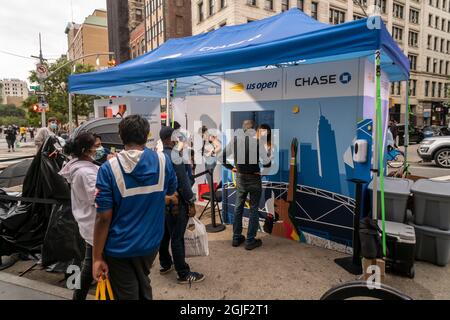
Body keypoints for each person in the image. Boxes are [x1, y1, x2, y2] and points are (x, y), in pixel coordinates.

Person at [93, 115, 177, 300]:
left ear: (120, 136)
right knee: (142, 280)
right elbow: (170, 190)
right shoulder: (163, 161)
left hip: (119, 247)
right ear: (147, 135)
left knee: (127, 291)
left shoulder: (108, 169)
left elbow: (103, 217)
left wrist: (96, 257)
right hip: (150, 243)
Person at [158, 126, 205, 284]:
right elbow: (183, 182)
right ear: (172, 138)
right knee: (177, 238)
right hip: (177, 203)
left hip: (163, 202)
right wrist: (191, 201)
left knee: (165, 234)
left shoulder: (158, 156)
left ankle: (165, 264)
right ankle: (183, 273)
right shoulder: (175, 156)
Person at [59, 132, 99, 300]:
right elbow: (97, 198)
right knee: (90, 266)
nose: (99, 149)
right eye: (97, 146)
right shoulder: (84, 172)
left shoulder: (84, 166)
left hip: (90, 224)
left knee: (89, 266)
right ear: (85, 150)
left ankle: (78, 296)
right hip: (94, 224)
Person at [223, 120, 264, 250]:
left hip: (240, 178)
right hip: (254, 178)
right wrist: (261, 170)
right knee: (253, 209)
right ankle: (250, 241)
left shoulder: (235, 141)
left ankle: (236, 238)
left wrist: (232, 168)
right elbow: (268, 161)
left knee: (238, 207)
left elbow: (221, 157)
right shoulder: (258, 142)